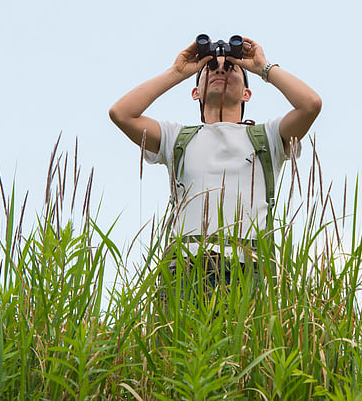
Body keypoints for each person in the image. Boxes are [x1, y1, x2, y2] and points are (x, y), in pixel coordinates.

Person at [108, 35, 321, 293]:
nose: (221, 68)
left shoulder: (269, 137)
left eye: (232, 67)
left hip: (248, 266)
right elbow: (121, 113)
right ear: (195, 92)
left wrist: (263, 67)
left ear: (247, 94)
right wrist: (177, 72)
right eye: (210, 68)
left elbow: (310, 105)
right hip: (185, 266)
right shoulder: (177, 137)